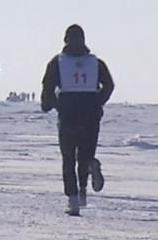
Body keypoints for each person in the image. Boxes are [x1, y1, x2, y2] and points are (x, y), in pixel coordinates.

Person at [40, 25, 115, 216]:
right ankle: (85, 181)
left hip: (68, 112)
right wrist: (98, 101)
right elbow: (109, 85)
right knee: (84, 156)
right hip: (90, 112)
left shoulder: (57, 62)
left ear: (66, 40)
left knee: (68, 159)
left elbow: (47, 87)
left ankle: (73, 201)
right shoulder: (95, 63)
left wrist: (50, 104)